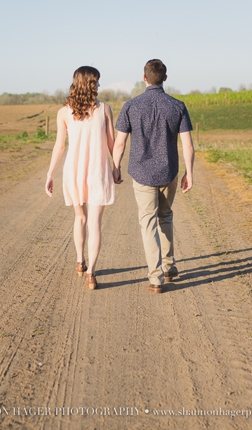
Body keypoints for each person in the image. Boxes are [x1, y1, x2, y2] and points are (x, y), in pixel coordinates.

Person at [112, 59, 195, 294]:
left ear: (144, 77)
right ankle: (169, 266)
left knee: (148, 222)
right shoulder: (177, 106)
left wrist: (115, 166)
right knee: (166, 216)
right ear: (165, 78)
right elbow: (187, 145)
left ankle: (156, 277)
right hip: (168, 172)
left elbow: (120, 142)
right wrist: (190, 172)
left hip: (141, 173)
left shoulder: (131, 106)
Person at [45, 66, 116, 290]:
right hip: (98, 169)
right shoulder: (105, 109)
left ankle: (79, 261)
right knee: (94, 223)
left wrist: (50, 174)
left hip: (74, 170)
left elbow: (59, 145)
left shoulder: (64, 112)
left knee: (80, 219)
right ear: (93, 83)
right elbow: (112, 143)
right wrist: (116, 168)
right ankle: (91, 274)